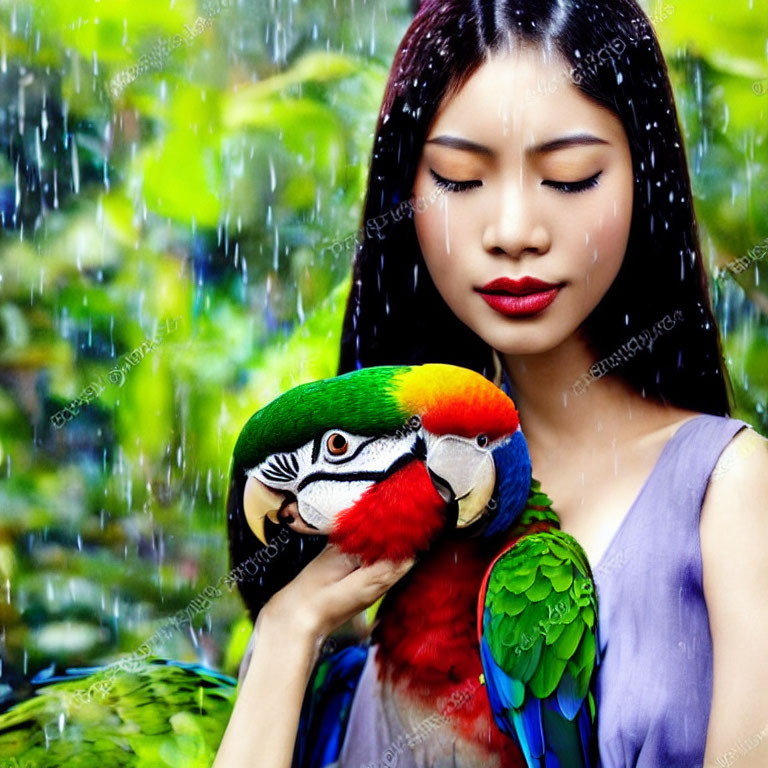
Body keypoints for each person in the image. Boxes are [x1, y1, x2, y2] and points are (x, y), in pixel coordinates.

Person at [214, 1, 768, 766]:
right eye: (460, 177)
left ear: (645, 177)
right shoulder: (358, 523)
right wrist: (289, 627)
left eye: (570, 178)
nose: (514, 230)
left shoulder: (728, 491)